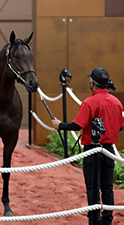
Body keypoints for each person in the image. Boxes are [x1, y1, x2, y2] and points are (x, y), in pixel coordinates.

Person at [51, 67, 123, 225]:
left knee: (93, 187)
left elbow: (77, 125)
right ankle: (107, 220)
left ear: (93, 83)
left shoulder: (90, 102)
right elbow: (120, 126)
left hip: (92, 151)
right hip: (109, 150)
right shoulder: (117, 103)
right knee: (107, 187)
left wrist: (60, 125)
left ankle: (94, 219)